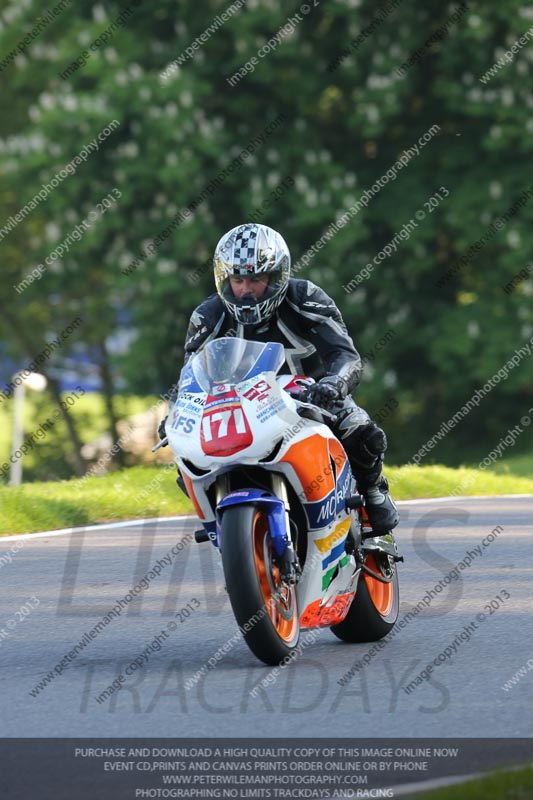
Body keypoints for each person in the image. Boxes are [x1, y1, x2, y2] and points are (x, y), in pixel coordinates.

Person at [159, 223, 399, 534]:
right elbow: (191, 376)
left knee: (362, 431)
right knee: (186, 459)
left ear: (276, 276)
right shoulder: (208, 315)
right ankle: (225, 522)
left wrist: (334, 384)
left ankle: (374, 491)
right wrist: (175, 411)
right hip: (241, 406)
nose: (246, 290)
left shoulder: (306, 298)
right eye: (238, 280)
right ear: (224, 279)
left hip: (313, 397)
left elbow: (346, 356)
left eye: (256, 280)